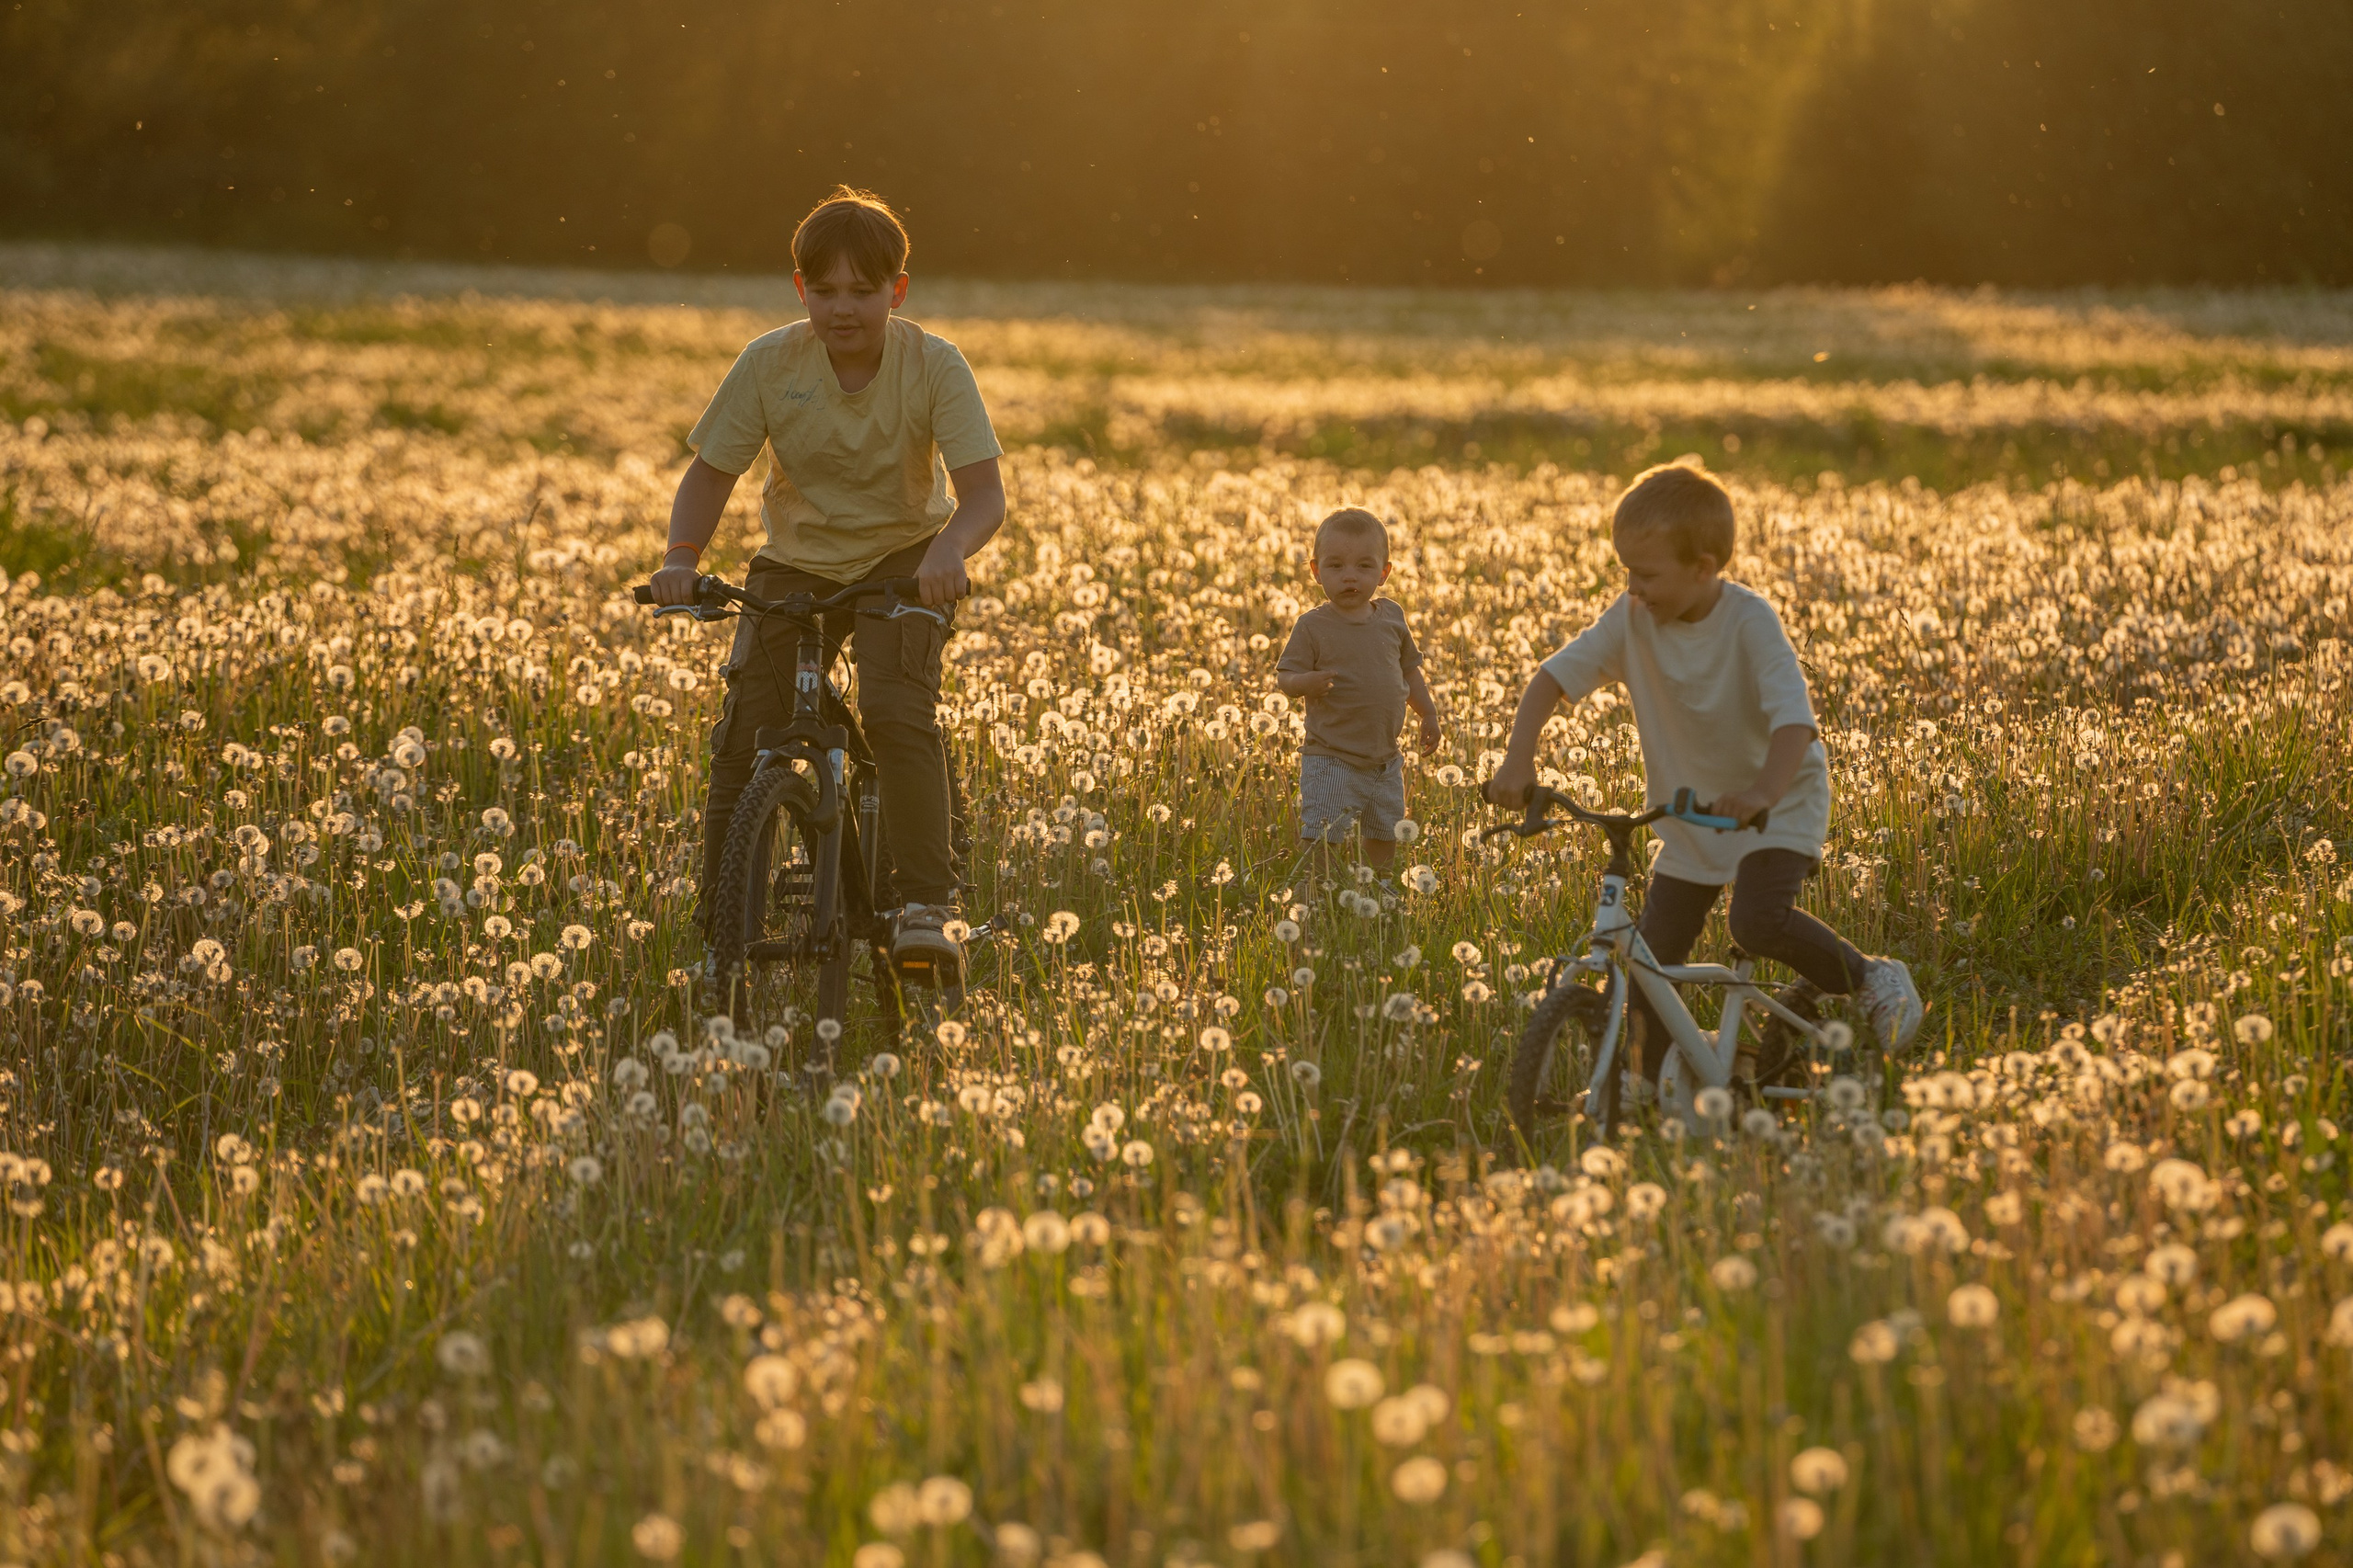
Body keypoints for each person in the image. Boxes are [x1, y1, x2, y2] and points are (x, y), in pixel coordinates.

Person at [650, 186, 1004, 976]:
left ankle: (925, 907)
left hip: (906, 559)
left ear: (897, 292)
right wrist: (681, 558)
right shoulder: (770, 362)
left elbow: (984, 495)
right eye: (826, 291)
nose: (844, 309)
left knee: (892, 706)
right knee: (745, 740)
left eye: (864, 291)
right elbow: (711, 476)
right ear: (800, 289)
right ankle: (719, 927)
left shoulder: (935, 364)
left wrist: (950, 552)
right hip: (794, 562)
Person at [1483, 463, 1924, 1059]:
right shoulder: (1632, 619)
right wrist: (1517, 764)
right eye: (1627, 573)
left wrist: (1763, 794)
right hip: (1691, 814)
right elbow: (1551, 680)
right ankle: (1647, 1091)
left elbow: (1795, 722)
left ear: (1704, 568)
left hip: (1777, 804)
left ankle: (1869, 976)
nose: (1634, 588)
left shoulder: (1749, 623)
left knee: (1756, 922)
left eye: (1648, 574)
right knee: (1651, 960)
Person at [1276, 508, 1443, 869]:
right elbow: (1285, 677)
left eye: (1364, 566)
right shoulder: (1312, 626)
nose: (1350, 576)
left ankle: (1380, 886)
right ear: (1316, 572)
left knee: (1385, 831)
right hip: (1331, 757)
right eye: (1336, 566)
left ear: (1384, 573)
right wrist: (1305, 684)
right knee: (1322, 835)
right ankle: (1314, 892)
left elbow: (1409, 671)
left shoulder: (1392, 617)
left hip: (1385, 759)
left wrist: (1427, 712)